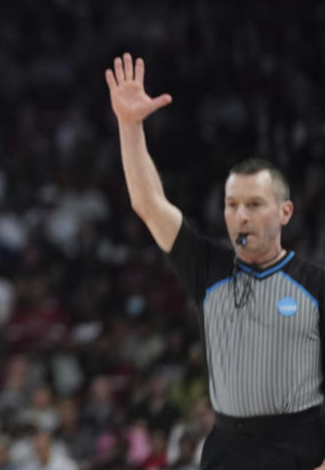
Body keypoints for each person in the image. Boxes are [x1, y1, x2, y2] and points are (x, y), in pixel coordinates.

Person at [105, 52, 325, 470]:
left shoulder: (315, 284)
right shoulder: (208, 267)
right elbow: (148, 203)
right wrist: (130, 126)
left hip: (297, 447)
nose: (240, 215)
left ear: (285, 212)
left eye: (255, 204)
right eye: (232, 204)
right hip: (225, 447)